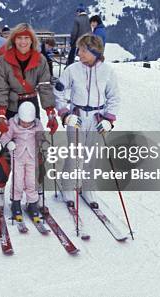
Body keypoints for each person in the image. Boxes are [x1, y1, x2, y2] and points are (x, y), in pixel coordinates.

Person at [0, 23, 57, 206]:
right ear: (13, 40)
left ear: (32, 40)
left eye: (26, 38)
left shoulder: (40, 60)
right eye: (19, 38)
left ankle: (32, 188)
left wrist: (50, 112)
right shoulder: (4, 61)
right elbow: (0, 87)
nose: (23, 41)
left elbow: (44, 86)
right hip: (12, 106)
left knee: (33, 149)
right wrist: (1, 114)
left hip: (31, 106)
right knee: (8, 148)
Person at [54, 34, 120, 207]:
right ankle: (67, 185)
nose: (79, 53)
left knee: (92, 154)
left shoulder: (107, 71)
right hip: (77, 115)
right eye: (79, 49)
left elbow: (114, 97)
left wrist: (109, 119)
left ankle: (88, 187)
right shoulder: (72, 69)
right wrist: (65, 114)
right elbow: (58, 92)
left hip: (97, 117)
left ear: (95, 52)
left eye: (84, 50)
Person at [0, 101, 47, 222]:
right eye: (23, 122)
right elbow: (4, 137)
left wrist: (43, 144)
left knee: (31, 181)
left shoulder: (37, 125)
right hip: (17, 157)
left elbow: (41, 137)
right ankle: (16, 202)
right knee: (18, 181)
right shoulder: (12, 124)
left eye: (28, 123)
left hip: (32, 157)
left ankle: (32, 204)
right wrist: (8, 143)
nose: (25, 125)